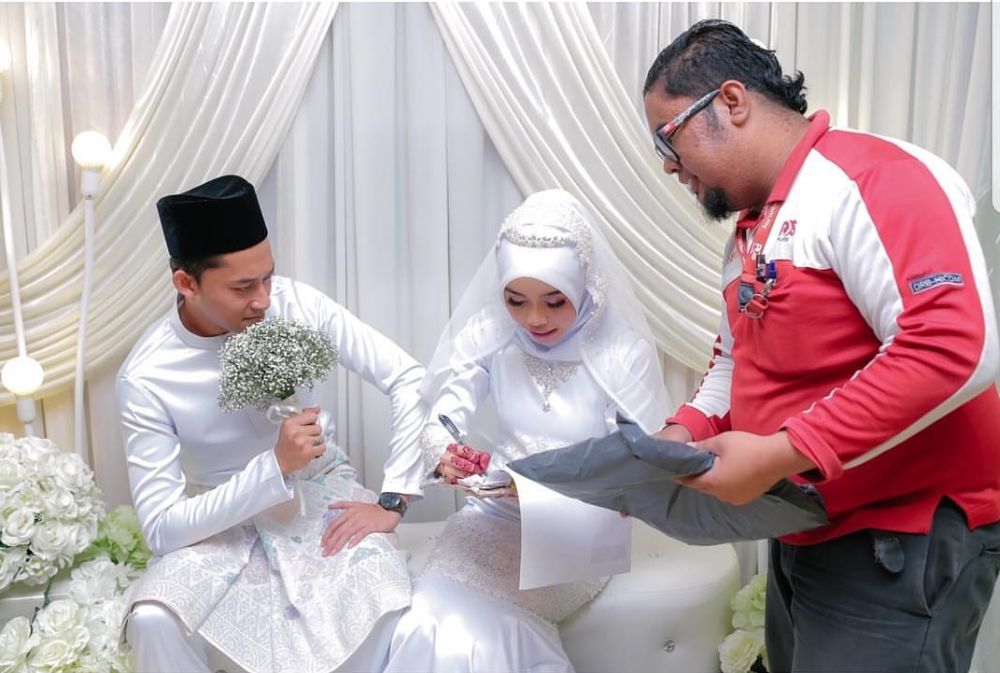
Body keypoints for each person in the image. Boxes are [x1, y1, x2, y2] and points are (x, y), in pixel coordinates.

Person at [643, 19, 1000, 673]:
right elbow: (731, 363)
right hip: (804, 522)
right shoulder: (749, 233)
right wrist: (679, 431)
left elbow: (953, 345)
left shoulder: (872, 179)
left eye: (668, 138)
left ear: (731, 101)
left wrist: (779, 451)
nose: (669, 165)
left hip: (901, 533)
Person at [117, 175, 426, 673]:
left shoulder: (294, 303)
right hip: (222, 518)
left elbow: (410, 377)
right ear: (186, 283)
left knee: (382, 602)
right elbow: (161, 528)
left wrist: (395, 498)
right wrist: (273, 466)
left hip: (318, 491)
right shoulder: (147, 375)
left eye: (268, 277)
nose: (264, 299)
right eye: (243, 286)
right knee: (153, 618)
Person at [383, 189, 669, 672]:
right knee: (429, 611)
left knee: (487, 624)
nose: (534, 319)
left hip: (578, 529)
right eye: (516, 300)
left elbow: (637, 464)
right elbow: (446, 413)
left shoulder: (622, 352)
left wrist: (541, 489)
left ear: (583, 286)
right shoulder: (492, 334)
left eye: (555, 302)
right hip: (490, 519)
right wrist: (443, 451)